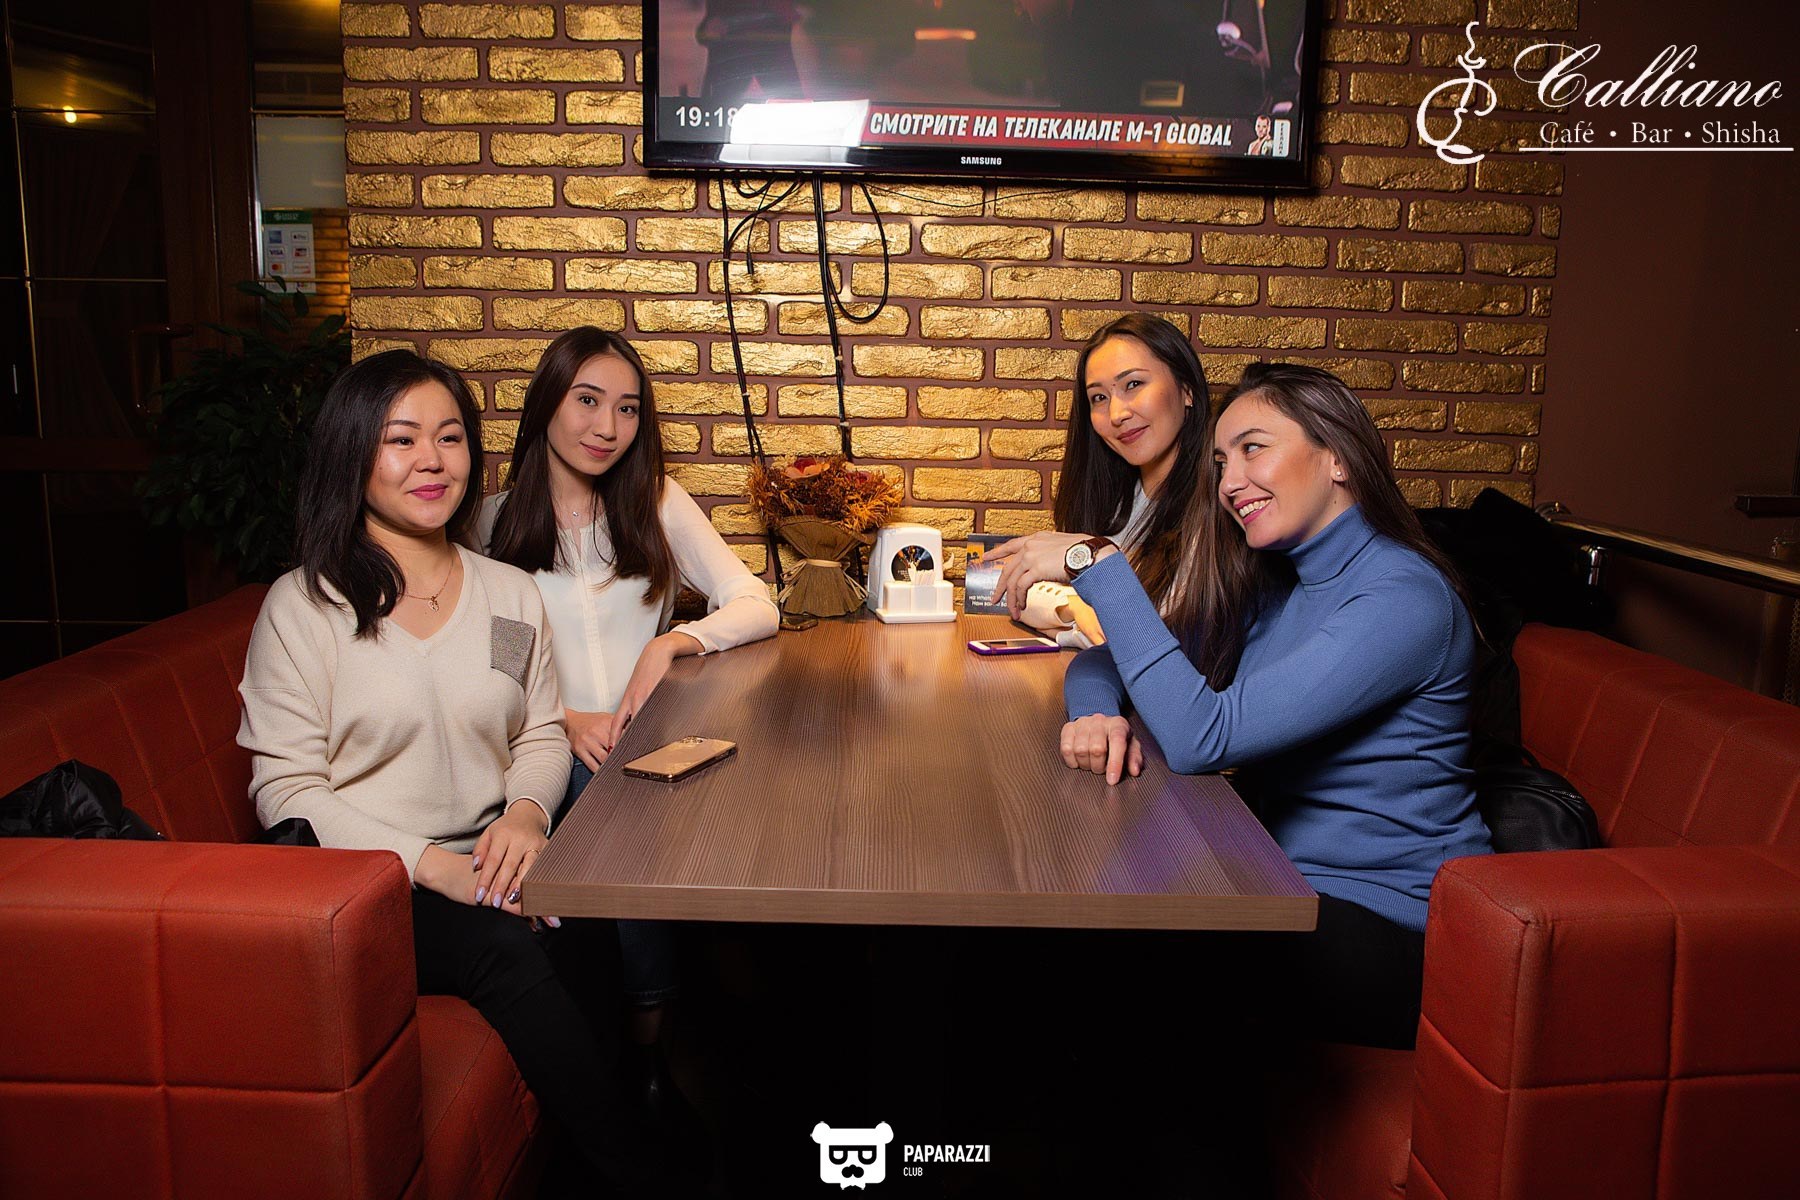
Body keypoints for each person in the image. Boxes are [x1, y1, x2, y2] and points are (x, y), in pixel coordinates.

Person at [236, 349, 658, 1195]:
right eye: (401, 440)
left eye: (451, 437)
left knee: (589, 922)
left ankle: (598, 1158)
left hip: (493, 853)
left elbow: (538, 731)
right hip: (368, 882)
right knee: (502, 944)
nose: (432, 460)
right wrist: (439, 869)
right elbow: (286, 792)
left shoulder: (507, 594)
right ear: (353, 454)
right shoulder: (304, 607)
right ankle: (644, 1174)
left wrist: (528, 815)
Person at [987, 361, 1493, 1046]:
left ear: (1339, 458)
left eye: (1254, 449)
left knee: (1082, 964)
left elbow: (1205, 738)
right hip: (1276, 883)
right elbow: (1108, 660)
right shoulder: (1282, 582)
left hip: (1396, 929)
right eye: (1222, 463)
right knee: (1055, 929)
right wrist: (1096, 714)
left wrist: (1100, 565)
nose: (1229, 483)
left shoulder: (1402, 597)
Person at [478, 326, 778, 1108]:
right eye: (587, 401)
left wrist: (672, 641)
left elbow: (757, 602)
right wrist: (564, 717)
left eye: (627, 409)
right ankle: (637, 1057)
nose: (607, 427)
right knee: (602, 810)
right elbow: (497, 669)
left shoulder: (656, 503)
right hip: (552, 752)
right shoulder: (494, 524)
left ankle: (662, 1048)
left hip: (651, 747)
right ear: (546, 403)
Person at [1023, 313, 1212, 646]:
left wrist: (1081, 620)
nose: (1116, 414)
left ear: (1187, 390)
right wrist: (1073, 606)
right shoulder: (1114, 503)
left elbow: (1152, 639)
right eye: (1099, 397)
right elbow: (1020, 591)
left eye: (1133, 385)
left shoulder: (1217, 508)